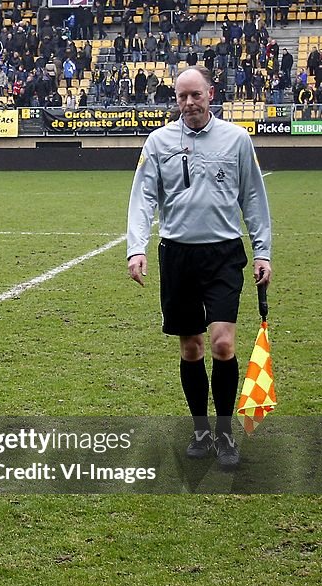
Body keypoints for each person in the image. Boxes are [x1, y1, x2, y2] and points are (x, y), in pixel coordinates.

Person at [126, 66, 272, 470]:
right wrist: (135, 248)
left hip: (224, 254)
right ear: (175, 99)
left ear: (211, 93)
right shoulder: (158, 142)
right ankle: (201, 429)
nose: (189, 103)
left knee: (223, 343)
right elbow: (142, 199)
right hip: (177, 256)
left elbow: (254, 199)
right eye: (181, 97)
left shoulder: (237, 139)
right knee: (191, 347)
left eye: (195, 95)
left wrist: (263, 251)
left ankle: (225, 434)